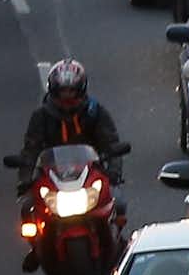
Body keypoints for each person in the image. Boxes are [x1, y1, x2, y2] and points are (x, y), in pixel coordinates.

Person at [15, 60, 123, 193]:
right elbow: (30, 149)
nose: (67, 96)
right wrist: (25, 179)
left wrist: (114, 172)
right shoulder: (41, 116)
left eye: (71, 91)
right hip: (50, 179)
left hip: (90, 177)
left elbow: (112, 144)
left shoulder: (95, 112)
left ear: (80, 90)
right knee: (28, 207)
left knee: (118, 203)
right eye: (62, 91)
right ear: (54, 91)